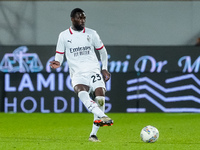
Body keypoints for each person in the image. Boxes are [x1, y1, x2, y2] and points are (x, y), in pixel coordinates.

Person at [49, 8, 113, 142]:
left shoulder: (92, 33)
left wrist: (105, 68)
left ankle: (93, 134)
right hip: (77, 73)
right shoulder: (64, 36)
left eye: (84, 18)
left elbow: (103, 52)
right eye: (79, 18)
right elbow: (59, 55)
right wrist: (57, 63)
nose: (82, 20)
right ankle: (102, 116)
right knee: (81, 92)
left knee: (100, 97)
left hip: (93, 70)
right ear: (72, 19)